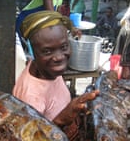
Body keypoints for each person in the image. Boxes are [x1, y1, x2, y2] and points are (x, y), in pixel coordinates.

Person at [13, 10, 99, 140]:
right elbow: (32, 137)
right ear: (32, 50)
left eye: (64, 47)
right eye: (47, 51)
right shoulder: (31, 97)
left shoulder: (48, 70)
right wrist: (61, 119)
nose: (59, 57)